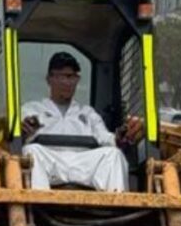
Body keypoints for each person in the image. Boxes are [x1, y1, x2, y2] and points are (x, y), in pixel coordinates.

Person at [21, 52, 143, 192]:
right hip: (50, 160)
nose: (67, 82)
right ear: (49, 79)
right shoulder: (33, 109)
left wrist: (120, 137)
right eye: (61, 76)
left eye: (72, 77)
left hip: (82, 163)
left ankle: (115, 208)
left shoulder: (87, 113)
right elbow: (19, 132)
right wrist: (24, 130)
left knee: (113, 155)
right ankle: (37, 205)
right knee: (30, 151)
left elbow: (105, 137)